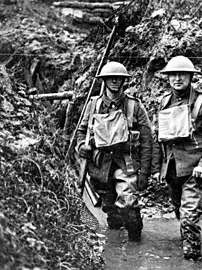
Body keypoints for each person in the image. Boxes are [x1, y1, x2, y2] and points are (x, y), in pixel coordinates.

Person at [152, 56, 202, 260]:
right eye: (173, 75)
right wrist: (160, 168)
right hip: (172, 169)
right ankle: (187, 236)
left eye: (182, 74)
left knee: (189, 215)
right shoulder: (164, 101)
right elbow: (161, 138)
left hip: (195, 169)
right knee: (179, 210)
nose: (177, 78)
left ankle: (192, 255)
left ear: (190, 76)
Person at [76, 61, 152, 241]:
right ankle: (115, 245)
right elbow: (81, 131)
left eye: (118, 78)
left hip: (125, 163)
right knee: (110, 209)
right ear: (104, 80)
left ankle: (135, 238)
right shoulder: (93, 105)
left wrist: (145, 172)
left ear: (124, 81)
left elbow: (148, 141)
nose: (114, 81)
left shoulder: (134, 106)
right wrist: (82, 147)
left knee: (127, 202)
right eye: (110, 78)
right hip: (100, 164)